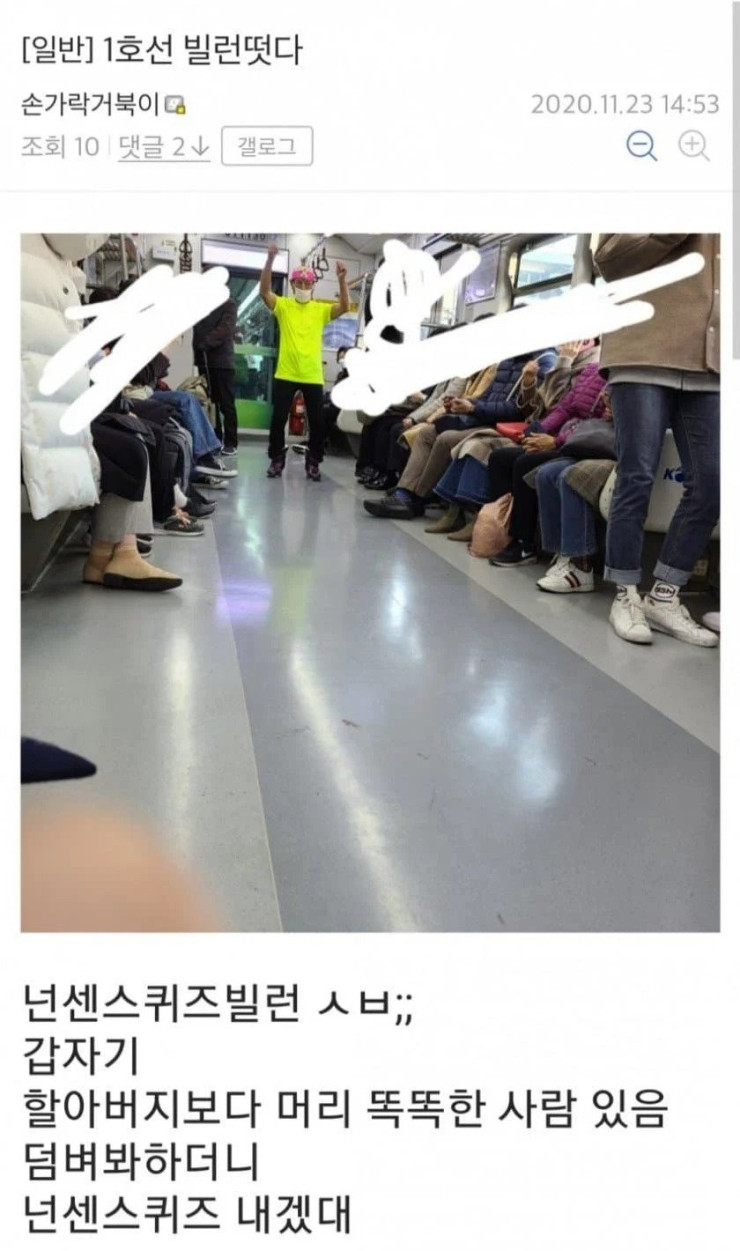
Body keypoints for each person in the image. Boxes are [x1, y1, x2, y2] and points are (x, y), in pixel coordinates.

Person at [594, 234, 719, 647]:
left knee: (714, 482)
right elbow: (609, 261)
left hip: (710, 361)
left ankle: (664, 595)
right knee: (637, 476)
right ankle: (625, 592)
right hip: (642, 350)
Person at [364, 345, 558, 521]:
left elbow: (520, 410)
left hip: (503, 426)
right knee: (427, 433)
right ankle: (404, 493)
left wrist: (473, 408)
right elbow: (487, 397)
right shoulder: (506, 362)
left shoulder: (542, 361)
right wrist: (466, 404)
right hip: (484, 418)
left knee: (445, 438)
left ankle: (417, 497)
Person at [260, 245, 350, 480]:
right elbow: (264, 292)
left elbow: (344, 307)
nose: (303, 287)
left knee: (317, 423)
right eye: (298, 283)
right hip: (286, 373)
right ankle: (277, 459)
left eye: (307, 283)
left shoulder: (320, 310)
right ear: (292, 285)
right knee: (278, 420)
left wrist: (342, 280)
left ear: (313, 286)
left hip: (312, 374)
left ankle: (313, 461)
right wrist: (269, 261)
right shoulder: (284, 306)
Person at [192, 275, 239, 459]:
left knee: (226, 404)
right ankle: (215, 439)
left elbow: (225, 329)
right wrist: (198, 354)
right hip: (204, 362)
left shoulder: (229, 305)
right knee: (210, 403)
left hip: (222, 363)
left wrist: (205, 343)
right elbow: (196, 330)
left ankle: (231, 442)